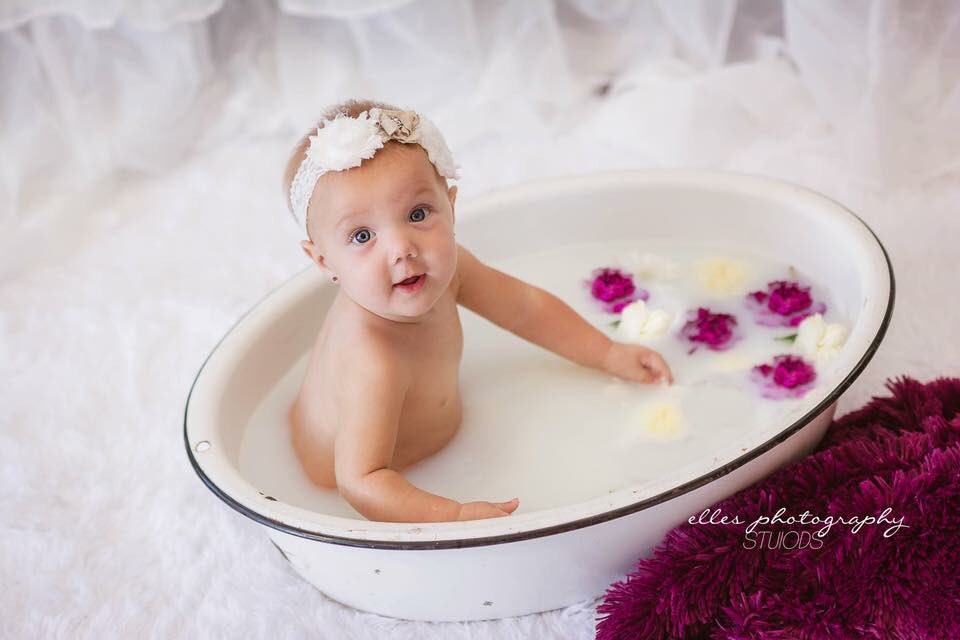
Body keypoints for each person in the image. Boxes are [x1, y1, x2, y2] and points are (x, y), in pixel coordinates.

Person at [282, 99, 673, 523]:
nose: (401, 249)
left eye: (417, 214)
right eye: (362, 236)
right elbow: (360, 481)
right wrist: (453, 516)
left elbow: (525, 308)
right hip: (350, 482)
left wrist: (608, 353)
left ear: (450, 206)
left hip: (432, 441)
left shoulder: (450, 271)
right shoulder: (372, 360)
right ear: (322, 261)